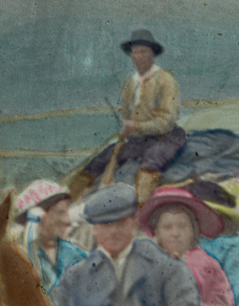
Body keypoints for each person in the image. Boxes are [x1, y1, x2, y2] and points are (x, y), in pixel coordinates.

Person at [49, 182, 199, 306]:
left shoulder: (167, 267)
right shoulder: (75, 277)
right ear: (94, 229)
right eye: (105, 225)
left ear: (133, 223)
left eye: (119, 223)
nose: (113, 232)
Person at [73, 28, 187, 207]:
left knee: (150, 164)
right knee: (100, 160)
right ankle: (68, 200)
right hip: (139, 139)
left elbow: (167, 121)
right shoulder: (129, 84)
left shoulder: (166, 80)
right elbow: (128, 116)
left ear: (152, 55)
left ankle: (142, 210)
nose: (138, 56)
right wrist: (128, 130)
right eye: (135, 51)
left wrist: (136, 127)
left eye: (143, 51)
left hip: (167, 137)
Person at [139, 185, 238, 306]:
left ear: (193, 230)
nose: (175, 233)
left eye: (182, 226)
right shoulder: (145, 263)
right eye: (167, 227)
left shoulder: (207, 265)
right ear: (157, 232)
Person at [11, 179, 89, 292]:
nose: (67, 221)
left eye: (66, 212)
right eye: (61, 213)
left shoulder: (74, 255)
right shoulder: (19, 263)